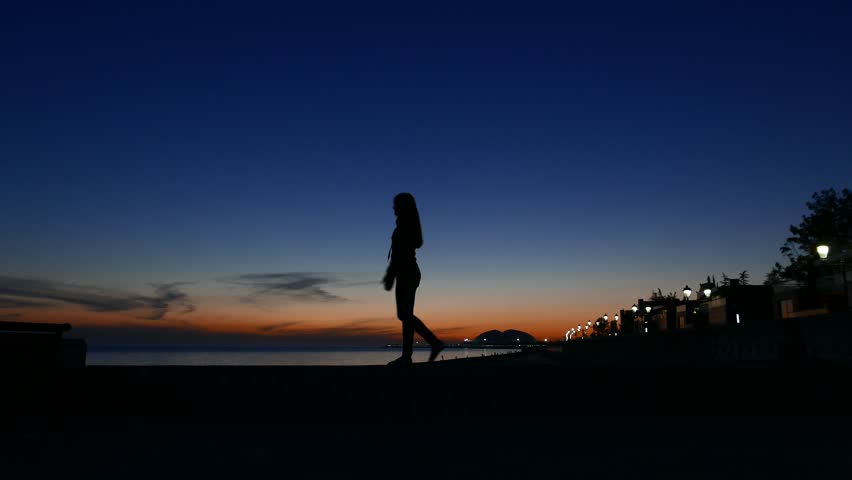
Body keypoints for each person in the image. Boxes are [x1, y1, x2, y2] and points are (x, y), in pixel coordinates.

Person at [383, 192, 444, 366]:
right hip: (408, 273)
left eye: (396, 204)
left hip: (407, 272)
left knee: (403, 314)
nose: (393, 207)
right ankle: (407, 356)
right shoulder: (406, 224)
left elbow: (400, 254)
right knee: (406, 314)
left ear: (403, 206)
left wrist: (390, 275)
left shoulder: (405, 224)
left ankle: (434, 343)